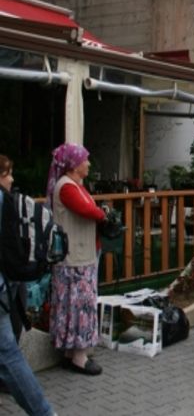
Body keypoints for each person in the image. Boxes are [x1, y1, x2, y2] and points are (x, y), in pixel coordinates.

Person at [0, 155, 55, 415]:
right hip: (5, 287)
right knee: (9, 355)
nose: (11, 179)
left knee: (8, 354)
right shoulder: (4, 201)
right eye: (6, 174)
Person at [47, 143, 107, 376]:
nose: (89, 164)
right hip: (74, 258)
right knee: (79, 304)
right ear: (74, 165)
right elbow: (89, 211)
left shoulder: (75, 185)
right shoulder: (67, 187)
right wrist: (103, 214)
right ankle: (79, 356)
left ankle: (70, 353)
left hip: (81, 255)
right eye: (85, 160)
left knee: (75, 304)